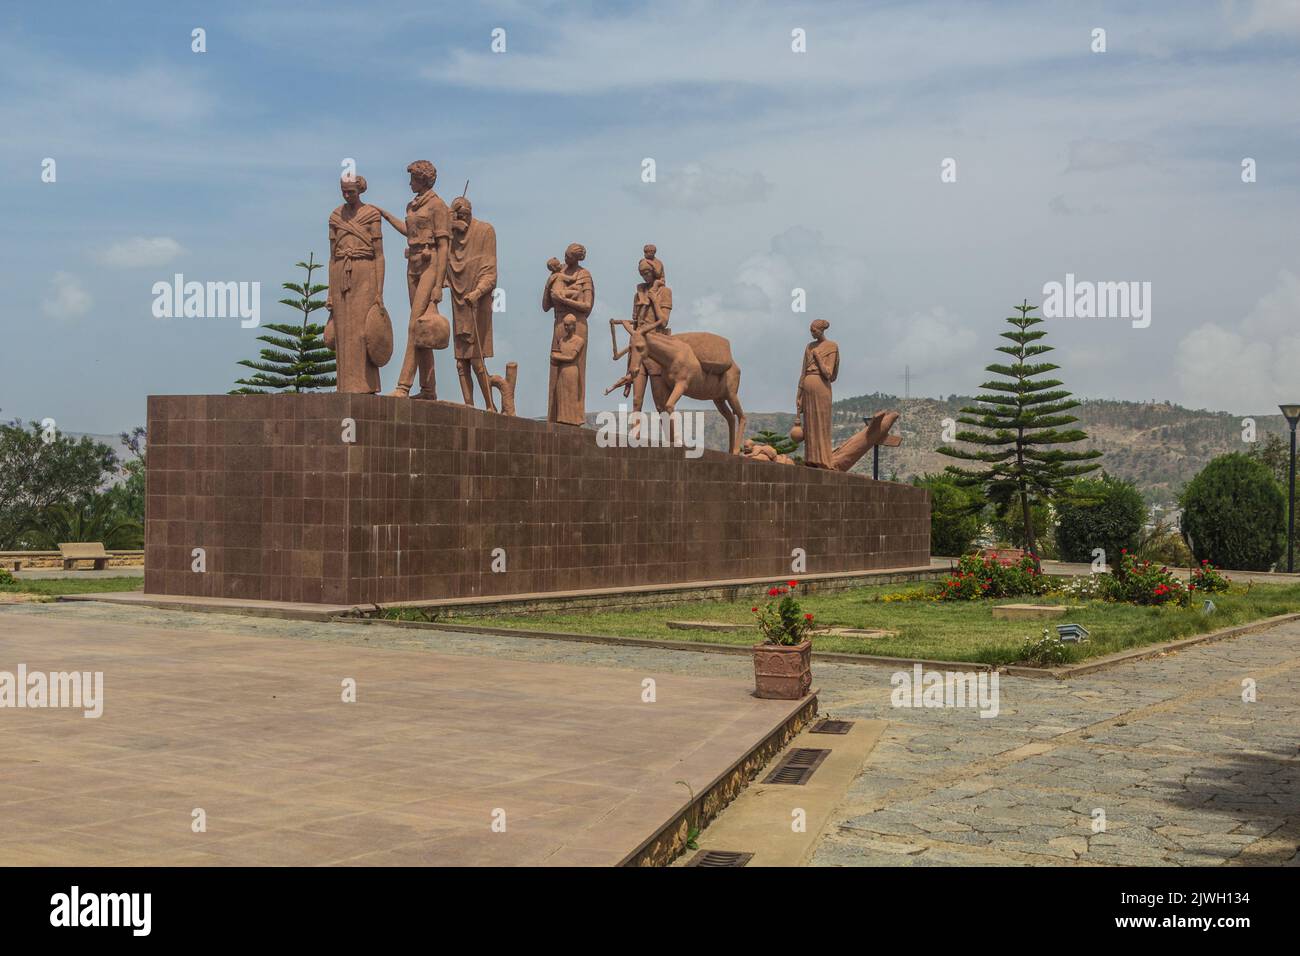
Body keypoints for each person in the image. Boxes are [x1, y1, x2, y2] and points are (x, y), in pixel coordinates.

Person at [379, 160, 450, 399]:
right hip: (413, 264)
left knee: (413, 325)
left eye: (413, 178)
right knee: (422, 328)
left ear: (424, 179)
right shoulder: (412, 205)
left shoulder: (438, 206)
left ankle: (403, 386)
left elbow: (444, 246)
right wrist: (387, 217)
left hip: (431, 264)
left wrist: (439, 285)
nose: (409, 183)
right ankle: (429, 389)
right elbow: (409, 231)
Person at [326, 174, 386, 393]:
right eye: (343, 191)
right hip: (341, 274)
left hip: (365, 273)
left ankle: (366, 385)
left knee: (364, 332)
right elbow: (332, 258)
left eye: (350, 191)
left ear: (359, 190)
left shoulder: (371, 214)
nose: (347, 195)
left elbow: (379, 255)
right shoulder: (335, 217)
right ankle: (345, 386)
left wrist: (379, 291)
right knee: (343, 333)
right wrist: (330, 293)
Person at [446, 196, 498, 410]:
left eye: (464, 215)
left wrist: (477, 292)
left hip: (477, 303)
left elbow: (490, 272)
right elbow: (440, 266)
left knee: (477, 360)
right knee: (461, 361)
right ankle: (468, 405)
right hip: (459, 304)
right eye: (458, 216)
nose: (462, 220)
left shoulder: (485, 231)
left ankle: (490, 406)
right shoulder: (450, 239)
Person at [543, 243, 594, 423]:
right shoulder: (558, 274)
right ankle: (555, 417)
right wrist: (548, 284)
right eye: (565, 255)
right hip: (559, 324)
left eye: (569, 257)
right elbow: (545, 306)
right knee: (556, 368)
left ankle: (574, 417)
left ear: (577, 258)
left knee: (574, 369)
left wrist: (564, 299)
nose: (565, 259)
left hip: (578, 324)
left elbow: (587, 306)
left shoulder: (584, 275)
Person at [796, 319, 839, 468]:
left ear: (821, 330)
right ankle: (811, 459)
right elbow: (802, 372)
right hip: (808, 385)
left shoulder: (831, 346)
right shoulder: (809, 346)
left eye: (814, 330)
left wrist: (818, 358)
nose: (812, 333)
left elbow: (829, 373)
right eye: (810, 330)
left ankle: (824, 460)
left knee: (822, 422)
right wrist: (799, 394)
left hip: (822, 386)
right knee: (810, 424)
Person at [549, 314, 586, 425]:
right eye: (564, 325)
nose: (565, 327)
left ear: (573, 326)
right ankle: (562, 419)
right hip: (562, 372)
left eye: (568, 325)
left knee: (571, 396)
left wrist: (556, 357)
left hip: (572, 371)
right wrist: (554, 359)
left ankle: (573, 420)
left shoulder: (579, 340)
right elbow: (558, 357)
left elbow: (571, 357)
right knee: (561, 397)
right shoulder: (561, 341)